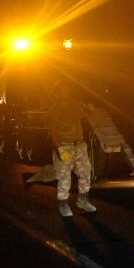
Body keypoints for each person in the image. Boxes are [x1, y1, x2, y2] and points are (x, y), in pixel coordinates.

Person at [46, 81, 95, 217]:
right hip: (65, 146)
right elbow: (53, 131)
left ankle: (83, 200)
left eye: (67, 89)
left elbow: (85, 117)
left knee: (85, 172)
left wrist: (89, 109)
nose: (66, 92)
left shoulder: (75, 106)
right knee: (64, 176)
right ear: (56, 93)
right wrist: (60, 149)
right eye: (62, 90)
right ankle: (63, 204)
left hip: (79, 145)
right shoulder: (53, 110)